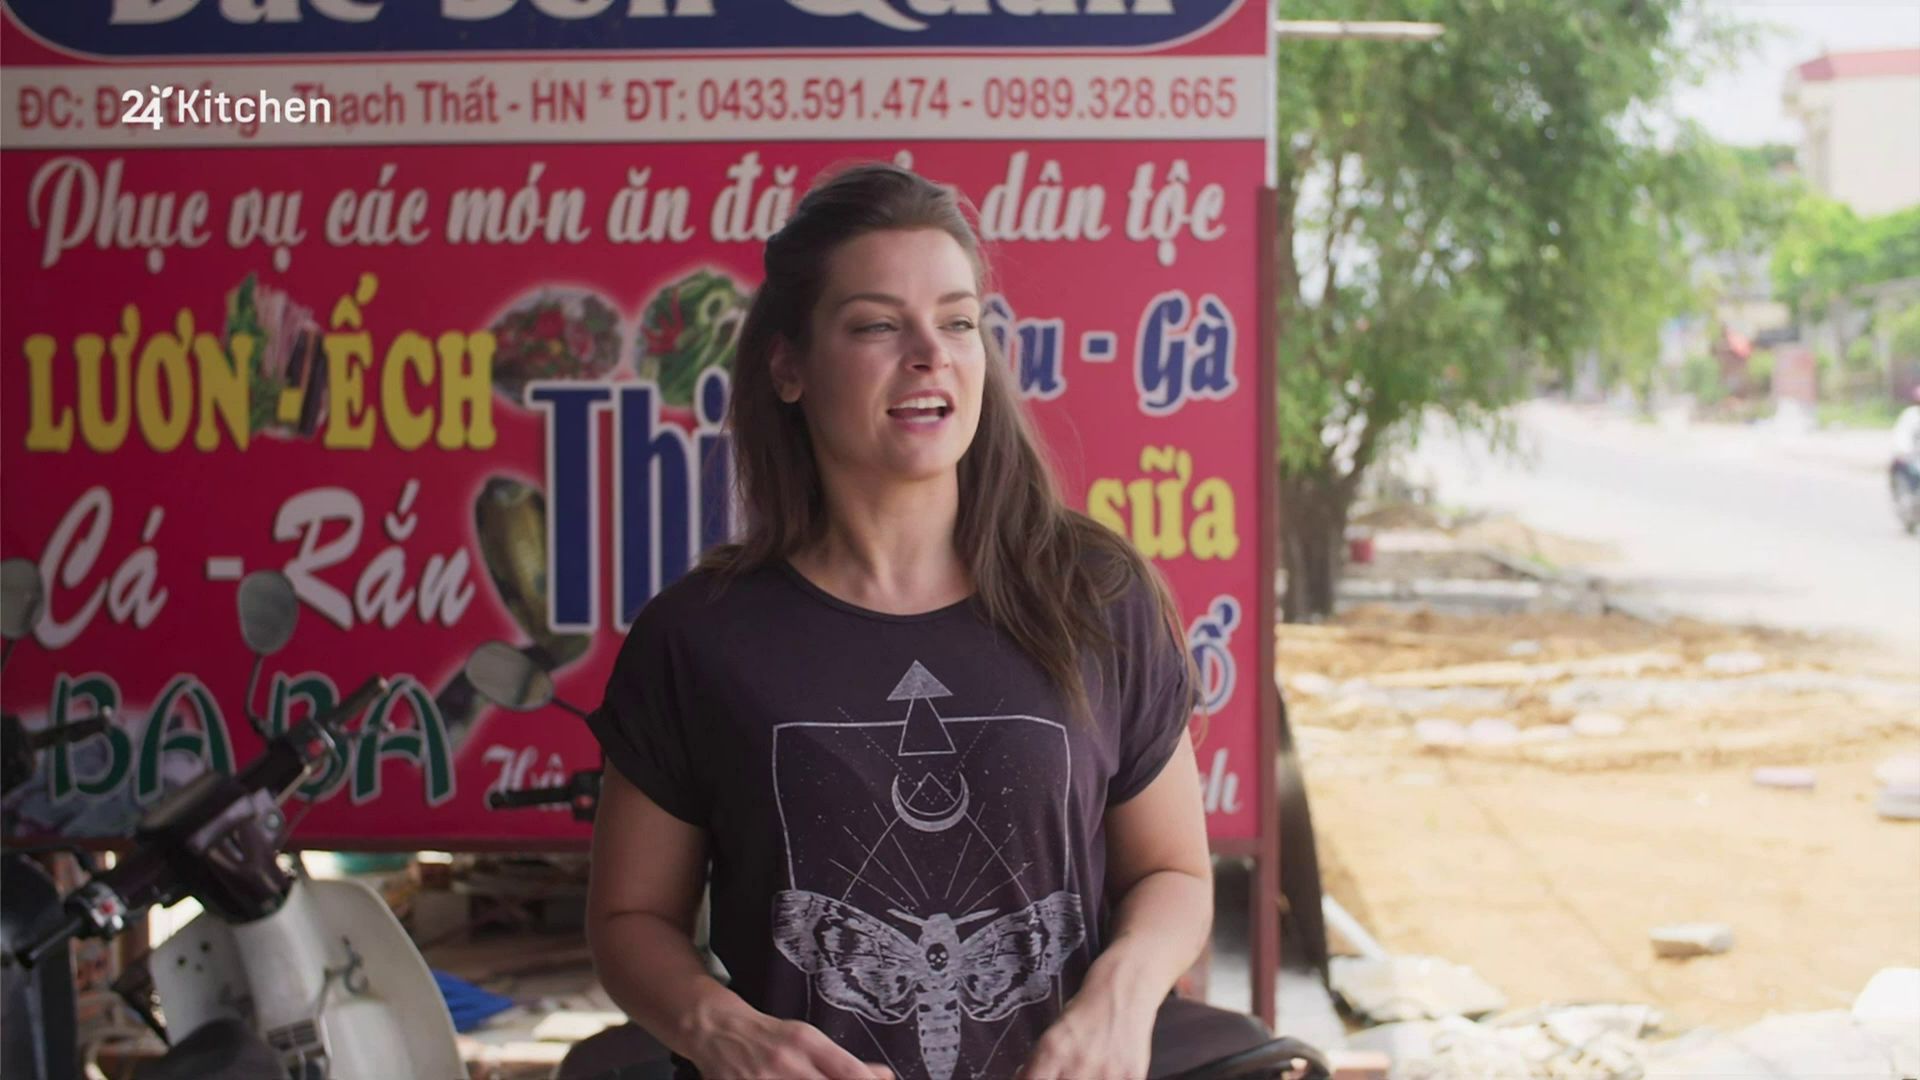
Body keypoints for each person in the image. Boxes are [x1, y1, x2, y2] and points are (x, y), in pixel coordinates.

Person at [582, 162, 1212, 1080]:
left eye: (958, 322)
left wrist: (1123, 994)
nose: (931, 353)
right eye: (878, 325)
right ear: (788, 367)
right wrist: (725, 1033)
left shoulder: (1095, 596)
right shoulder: (698, 637)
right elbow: (629, 920)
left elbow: (1174, 874)